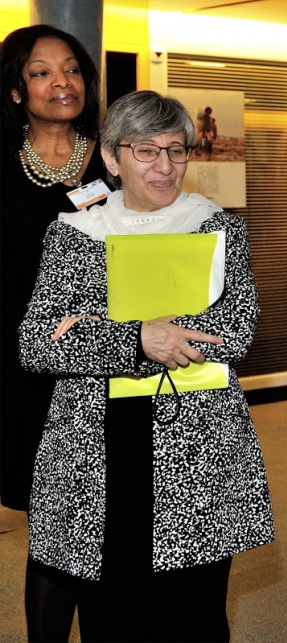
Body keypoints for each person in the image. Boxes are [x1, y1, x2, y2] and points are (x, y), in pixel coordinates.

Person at [18, 90, 274, 642]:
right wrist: (139, 339)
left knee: (195, 617)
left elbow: (237, 330)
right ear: (111, 159)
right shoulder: (74, 234)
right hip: (97, 451)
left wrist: (93, 331)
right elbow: (38, 342)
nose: (165, 167)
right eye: (146, 152)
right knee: (113, 618)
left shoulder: (216, 227)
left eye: (177, 151)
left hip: (197, 450)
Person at [0, 23, 109, 641]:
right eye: (40, 72)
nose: (60, 83)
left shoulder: (118, 156)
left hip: (105, 360)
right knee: (54, 524)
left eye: (70, 69)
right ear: (17, 90)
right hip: (24, 366)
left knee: (108, 516)